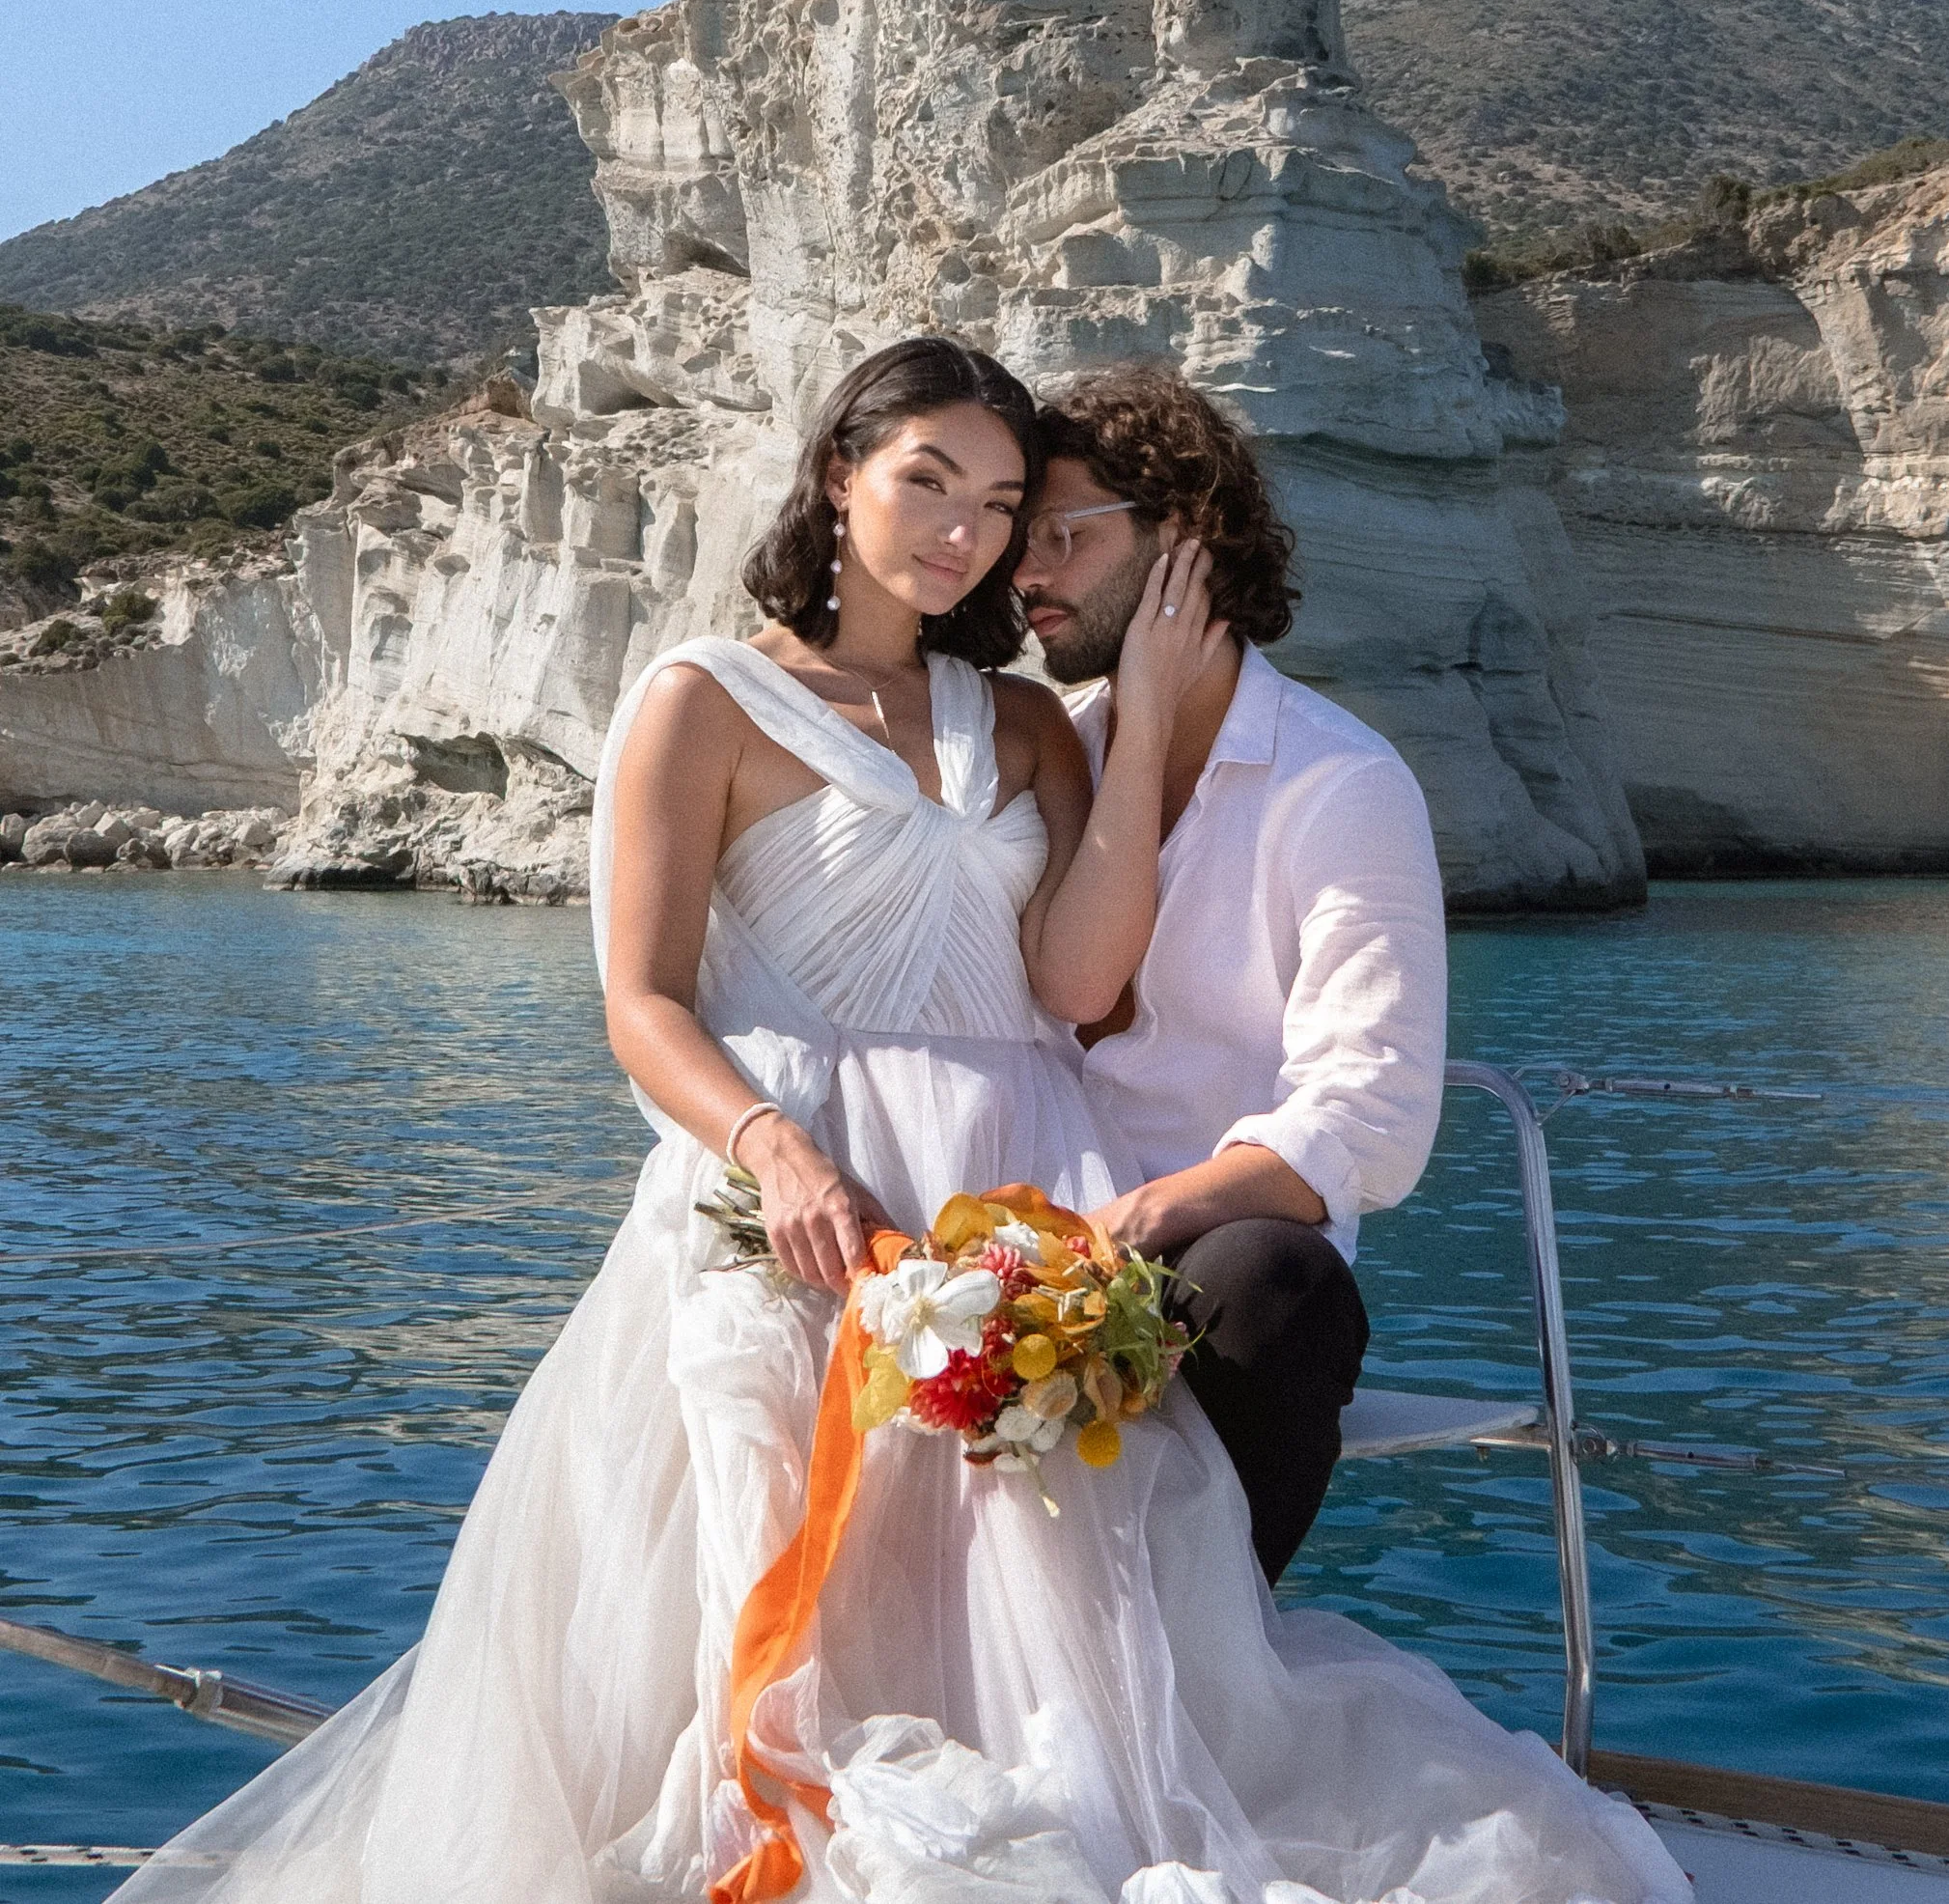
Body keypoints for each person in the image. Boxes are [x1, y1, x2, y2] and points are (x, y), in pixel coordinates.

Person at [120, 335, 1684, 1904]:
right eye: (927, 480)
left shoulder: (1023, 725)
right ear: (834, 475)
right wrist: (774, 1150)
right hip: (804, 1170)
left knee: (1045, 1605)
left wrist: (1128, 729)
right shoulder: (701, 699)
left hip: (1015, 1177)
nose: (967, 531)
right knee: (768, 1564)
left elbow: (1075, 986)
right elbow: (642, 1001)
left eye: (1004, 504)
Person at [1013, 364, 1448, 1584]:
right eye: (1018, 539)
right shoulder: (1051, 759)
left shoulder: (1339, 786)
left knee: (1272, 1284)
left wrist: (1141, 1220)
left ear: (1185, 540)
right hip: (1031, 1230)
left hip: (1201, 1263)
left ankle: (1205, 1674)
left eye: (1064, 533)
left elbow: (1375, 1120)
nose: (1026, 574)